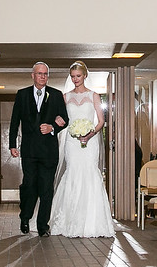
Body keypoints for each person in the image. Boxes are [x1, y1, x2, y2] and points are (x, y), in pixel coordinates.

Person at [49, 61, 115, 238]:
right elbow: (60, 117)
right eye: (72, 76)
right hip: (72, 141)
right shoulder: (66, 96)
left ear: (85, 76)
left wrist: (90, 134)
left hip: (90, 141)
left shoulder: (94, 95)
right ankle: (69, 220)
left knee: (90, 174)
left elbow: (101, 121)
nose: (75, 79)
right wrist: (58, 119)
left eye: (78, 76)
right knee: (73, 173)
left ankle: (92, 221)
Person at [9, 61, 68, 237]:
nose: (42, 76)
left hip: (49, 151)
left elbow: (65, 119)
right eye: (39, 73)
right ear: (33, 75)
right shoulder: (22, 94)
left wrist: (52, 128)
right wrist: (12, 144)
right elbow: (14, 121)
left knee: (46, 189)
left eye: (45, 74)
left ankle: (43, 225)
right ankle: (25, 217)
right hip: (29, 150)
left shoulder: (56, 95)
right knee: (29, 187)